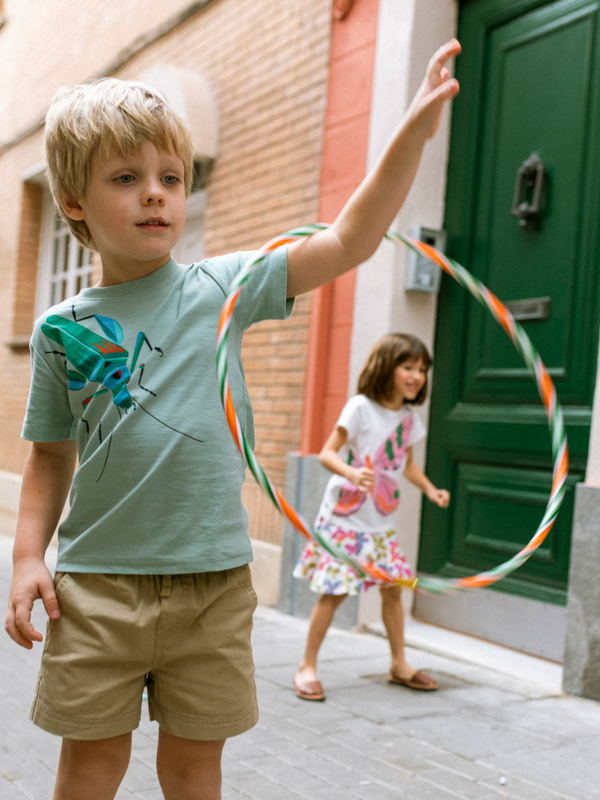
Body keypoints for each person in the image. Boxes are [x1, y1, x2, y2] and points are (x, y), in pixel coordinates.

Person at [4, 38, 460, 800]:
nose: (156, 194)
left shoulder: (220, 286)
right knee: (89, 766)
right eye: (127, 178)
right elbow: (50, 457)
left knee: (193, 767)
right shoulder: (61, 329)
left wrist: (409, 138)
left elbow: (347, 241)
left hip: (212, 584)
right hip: (97, 587)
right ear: (74, 201)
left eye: (172, 178)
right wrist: (26, 558)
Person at [293, 333, 450, 702]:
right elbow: (327, 454)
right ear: (386, 367)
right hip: (346, 520)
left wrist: (430, 489)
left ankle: (399, 664)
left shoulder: (410, 419)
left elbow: (406, 464)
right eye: (408, 367)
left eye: (423, 369)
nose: (417, 376)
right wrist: (350, 473)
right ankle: (307, 666)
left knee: (394, 590)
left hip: (380, 523)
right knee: (335, 593)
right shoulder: (361, 407)